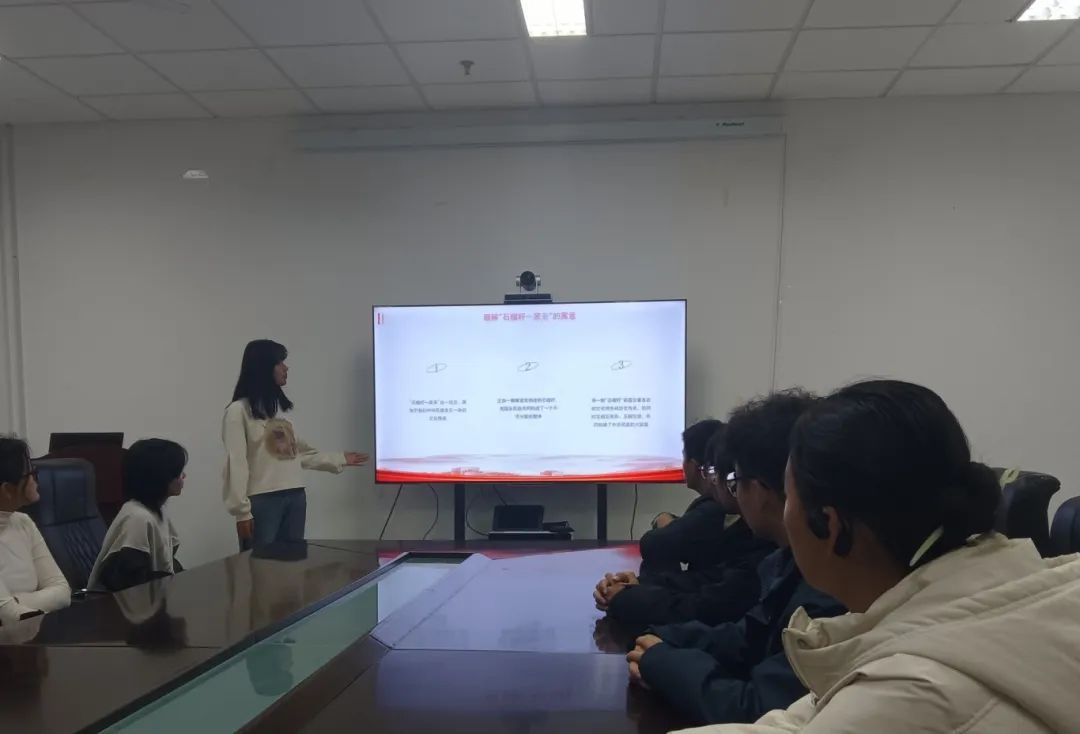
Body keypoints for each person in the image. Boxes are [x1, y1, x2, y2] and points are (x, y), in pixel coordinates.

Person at [688, 380, 1080, 734]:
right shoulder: (1002, 587)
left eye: (790, 496)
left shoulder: (907, 693)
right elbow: (803, 718)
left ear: (829, 525)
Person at [627, 390, 844, 726]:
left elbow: (759, 709)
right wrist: (663, 638)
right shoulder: (789, 562)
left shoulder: (831, 586)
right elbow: (747, 637)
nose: (728, 491)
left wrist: (663, 662)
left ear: (764, 489)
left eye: (734, 480)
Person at [596, 427, 774, 627]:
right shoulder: (751, 536)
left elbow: (709, 607)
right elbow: (707, 581)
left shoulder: (758, 545)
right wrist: (637, 586)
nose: (715, 482)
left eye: (717, 473)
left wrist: (626, 598)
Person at [223, 339, 368, 550]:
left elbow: (297, 455)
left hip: (295, 496)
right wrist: (241, 512)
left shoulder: (279, 412)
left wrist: (339, 458)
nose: (286, 368)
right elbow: (236, 463)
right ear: (263, 367)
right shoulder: (238, 411)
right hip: (262, 501)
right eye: (280, 362)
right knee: (259, 564)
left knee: (291, 563)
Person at [88, 439, 187, 592]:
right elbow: (131, 580)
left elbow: (168, 561)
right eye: (179, 473)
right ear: (160, 477)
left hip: (151, 598)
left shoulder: (157, 511)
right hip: (121, 603)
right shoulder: (138, 518)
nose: (183, 476)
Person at [0, 437, 70, 626]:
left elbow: (62, 592)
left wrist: (15, 601)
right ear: (7, 489)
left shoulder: (23, 522)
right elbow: (9, 614)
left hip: (26, 633)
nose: (36, 480)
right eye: (32, 474)